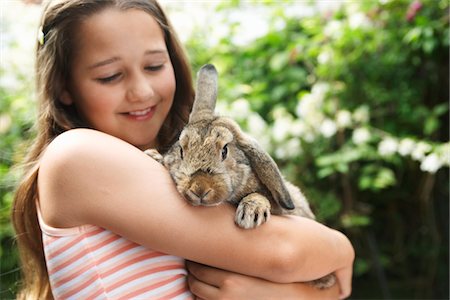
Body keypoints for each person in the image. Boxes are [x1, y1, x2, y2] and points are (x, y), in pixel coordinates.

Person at [11, 0, 355, 299]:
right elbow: (286, 253)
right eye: (111, 76)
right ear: (63, 86)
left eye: (155, 66)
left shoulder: (175, 165)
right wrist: (342, 248)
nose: (142, 91)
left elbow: (331, 288)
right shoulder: (76, 157)